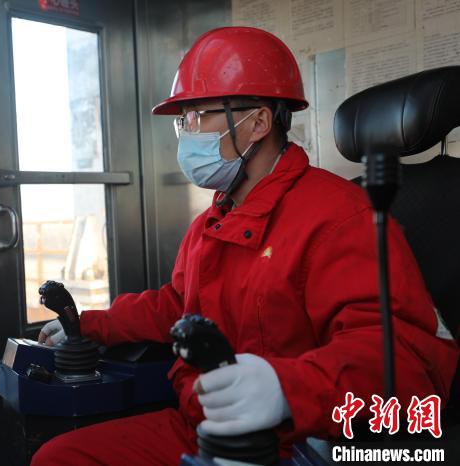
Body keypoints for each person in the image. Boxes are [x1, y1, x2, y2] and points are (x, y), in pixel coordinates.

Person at [31, 27, 459, 465]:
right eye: (183, 121)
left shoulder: (339, 217)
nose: (188, 134)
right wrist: (91, 325)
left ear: (257, 122)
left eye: (199, 116)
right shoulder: (213, 221)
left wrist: (286, 388)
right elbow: (179, 305)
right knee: (59, 458)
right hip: (202, 427)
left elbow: (407, 360)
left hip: (292, 443)